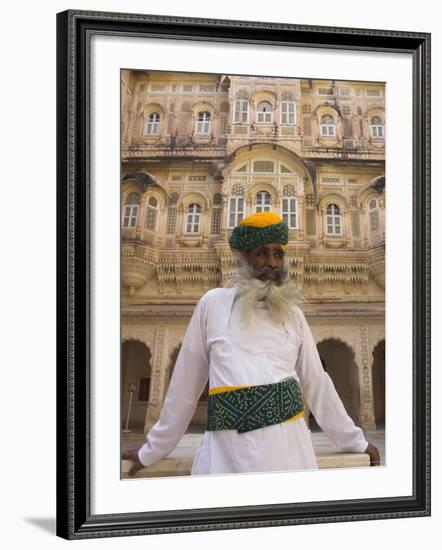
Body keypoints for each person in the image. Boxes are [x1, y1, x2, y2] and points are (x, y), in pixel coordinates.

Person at [123, 212, 380, 476]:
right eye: (262, 253)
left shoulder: (293, 315)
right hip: (226, 458)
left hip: (290, 456)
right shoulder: (213, 304)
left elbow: (317, 384)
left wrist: (355, 441)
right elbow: (184, 387)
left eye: (278, 255)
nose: (271, 262)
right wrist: (151, 450)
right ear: (243, 258)